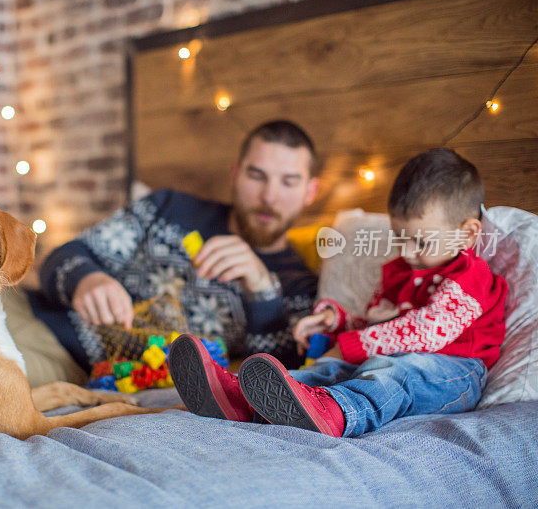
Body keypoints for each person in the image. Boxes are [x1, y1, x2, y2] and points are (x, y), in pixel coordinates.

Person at [168, 148, 507, 433]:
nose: (406, 250)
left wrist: (348, 347)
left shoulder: (470, 276)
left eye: (420, 241)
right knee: (326, 370)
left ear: (467, 233)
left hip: (451, 375)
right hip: (389, 358)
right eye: (399, 237)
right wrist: (337, 321)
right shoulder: (401, 272)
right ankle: (243, 399)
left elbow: (425, 332)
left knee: (393, 373)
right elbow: (378, 326)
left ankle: (336, 414)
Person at [33, 120, 320, 373]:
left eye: (289, 182)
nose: (269, 196)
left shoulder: (300, 288)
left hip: (91, 374)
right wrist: (86, 278)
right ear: (235, 175)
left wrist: (262, 291)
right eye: (256, 176)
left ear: (310, 191)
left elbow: (273, 384)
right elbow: (61, 256)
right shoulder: (168, 208)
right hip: (42, 325)